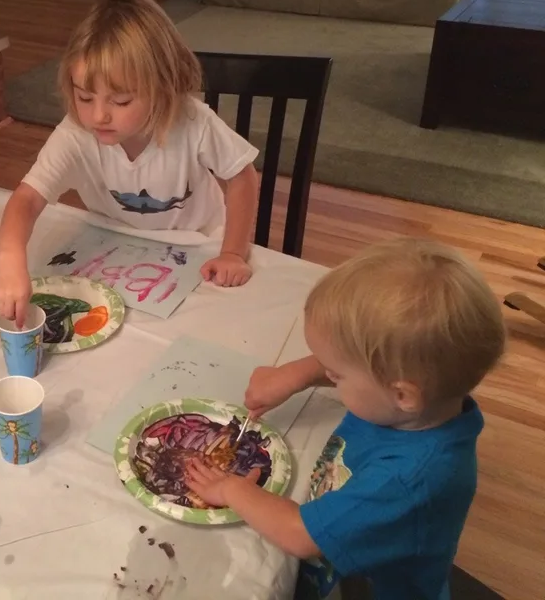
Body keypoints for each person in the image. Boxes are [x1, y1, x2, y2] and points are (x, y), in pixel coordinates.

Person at [184, 239, 506, 600]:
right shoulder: (421, 401)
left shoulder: (407, 480)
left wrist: (231, 489)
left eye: (336, 375)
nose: (329, 376)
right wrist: (295, 375)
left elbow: (300, 535)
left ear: (402, 395)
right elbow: (367, 369)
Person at [0, 0, 260, 326]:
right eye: (85, 97)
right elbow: (27, 200)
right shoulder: (76, 133)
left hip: (198, 251)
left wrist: (233, 252)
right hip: (117, 252)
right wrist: (10, 258)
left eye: (120, 101)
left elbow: (241, 175)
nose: (98, 116)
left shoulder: (193, 123)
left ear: (162, 89)